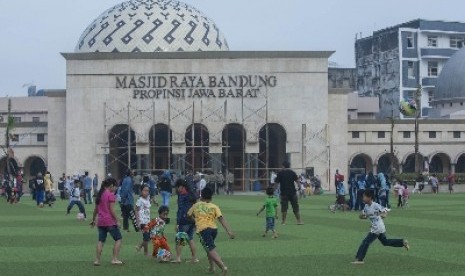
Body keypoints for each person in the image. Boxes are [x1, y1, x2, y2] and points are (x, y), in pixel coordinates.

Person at [351, 190, 409, 265]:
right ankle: (402, 242)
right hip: (378, 227)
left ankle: (359, 259)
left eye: (364, 197)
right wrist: (363, 216)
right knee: (385, 242)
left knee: (366, 242)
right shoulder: (366, 206)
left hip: (377, 228)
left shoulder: (376, 205)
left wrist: (383, 215)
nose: (363, 198)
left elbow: (385, 211)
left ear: (370, 197)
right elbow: (362, 216)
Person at [188, 187, 234, 275]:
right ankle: (212, 267)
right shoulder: (214, 206)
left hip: (203, 230)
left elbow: (188, 215)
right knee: (208, 248)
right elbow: (221, 219)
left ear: (201, 195)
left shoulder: (196, 205)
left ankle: (223, 267)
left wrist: (195, 220)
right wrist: (229, 231)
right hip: (214, 229)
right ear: (211, 197)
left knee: (210, 249)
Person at [90, 178, 123, 266]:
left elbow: (96, 210)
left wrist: (93, 220)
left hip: (100, 222)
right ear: (111, 185)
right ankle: (114, 259)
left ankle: (97, 260)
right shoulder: (110, 195)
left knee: (101, 241)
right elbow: (111, 209)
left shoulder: (99, 195)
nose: (115, 188)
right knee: (118, 239)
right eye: (115, 186)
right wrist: (117, 220)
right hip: (109, 221)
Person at [172, 179, 199, 263]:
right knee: (190, 239)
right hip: (192, 220)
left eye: (177, 187)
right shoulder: (192, 194)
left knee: (180, 239)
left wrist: (177, 222)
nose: (176, 189)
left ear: (181, 186)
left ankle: (178, 258)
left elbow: (181, 210)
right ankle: (194, 258)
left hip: (184, 219)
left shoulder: (182, 195)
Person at [274, 161, 303, 225]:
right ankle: (299, 221)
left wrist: (273, 191)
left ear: (283, 166)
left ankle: (283, 222)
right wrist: (300, 188)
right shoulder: (292, 172)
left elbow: (276, 184)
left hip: (284, 193)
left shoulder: (280, 173)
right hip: (293, 193)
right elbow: (298, 182)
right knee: (295, 207)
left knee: (284, 208)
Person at [135, 185, 151, 256]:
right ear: (141, 191)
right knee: (146, 237)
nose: (146, 192)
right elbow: (136, 210)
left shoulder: (147, 199)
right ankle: (145, 251)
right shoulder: (140, 200)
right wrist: (138, 222)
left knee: (147, 237)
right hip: (142, 221)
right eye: (144, 190)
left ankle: (140, 247)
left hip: (147, 221)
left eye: (147, 190)